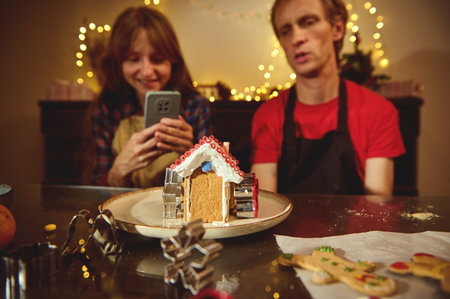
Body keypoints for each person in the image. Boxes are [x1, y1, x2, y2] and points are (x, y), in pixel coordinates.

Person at [250, 0, 405, 195]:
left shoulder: (378, 111)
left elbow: (376, 208)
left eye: (308, 22)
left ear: (337, 29)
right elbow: (265, 206)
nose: (297, 38)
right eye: (286, 31)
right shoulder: (268, 116)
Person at [84, 6, 213, 187]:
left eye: (158, 59)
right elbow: (95, 193)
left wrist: (193, 155)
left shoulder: (195, 106)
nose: (146, 72)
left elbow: (211, 182)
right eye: (133, 58)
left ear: (173, 61)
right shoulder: (107, 109)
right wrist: (118, 171)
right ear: (118, 62)